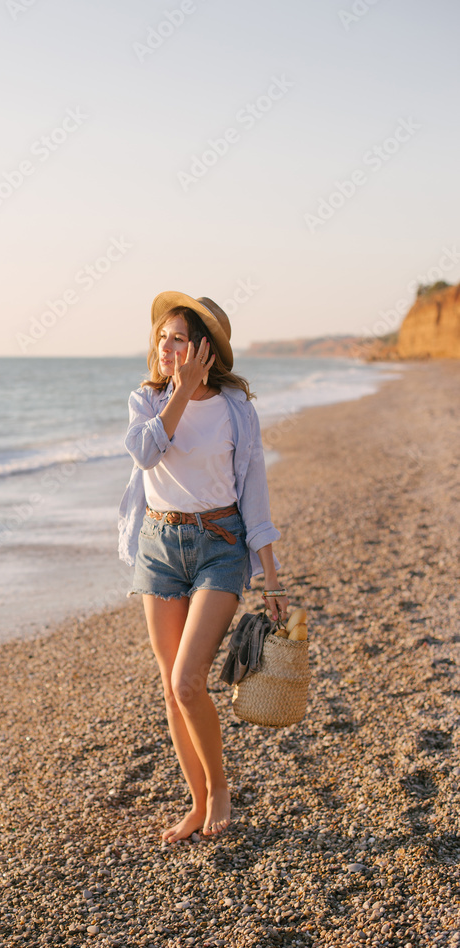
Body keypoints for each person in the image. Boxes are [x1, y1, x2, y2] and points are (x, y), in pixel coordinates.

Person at [117, 292, 288, 844]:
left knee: (190, 681)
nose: (167, 348)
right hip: (159, 547)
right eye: (162, 337)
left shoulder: (237, 409)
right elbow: (145, 452)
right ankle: (196, 803)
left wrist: (273, 578)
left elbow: (254, 497)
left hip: (220, 544)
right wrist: (180, 393)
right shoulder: (145, 401)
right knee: (172, 687)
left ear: (205, 349)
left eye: (180, 339)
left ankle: (219, 790)